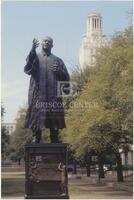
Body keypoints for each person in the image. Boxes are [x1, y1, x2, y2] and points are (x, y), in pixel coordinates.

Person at [24, 36, 70, 143]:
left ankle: (54, 137)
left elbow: (67, 79)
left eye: (49, 42)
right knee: (37, 114)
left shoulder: (58, 60)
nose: (46, 42)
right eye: (45, 41)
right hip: (38, 93)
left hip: (53, 94)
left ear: (52, 45)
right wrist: (32, 50)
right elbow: (28, 67)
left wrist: (60, 72)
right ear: (41, 43)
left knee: (54, 115)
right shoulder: (36, 57)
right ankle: (36, 136)